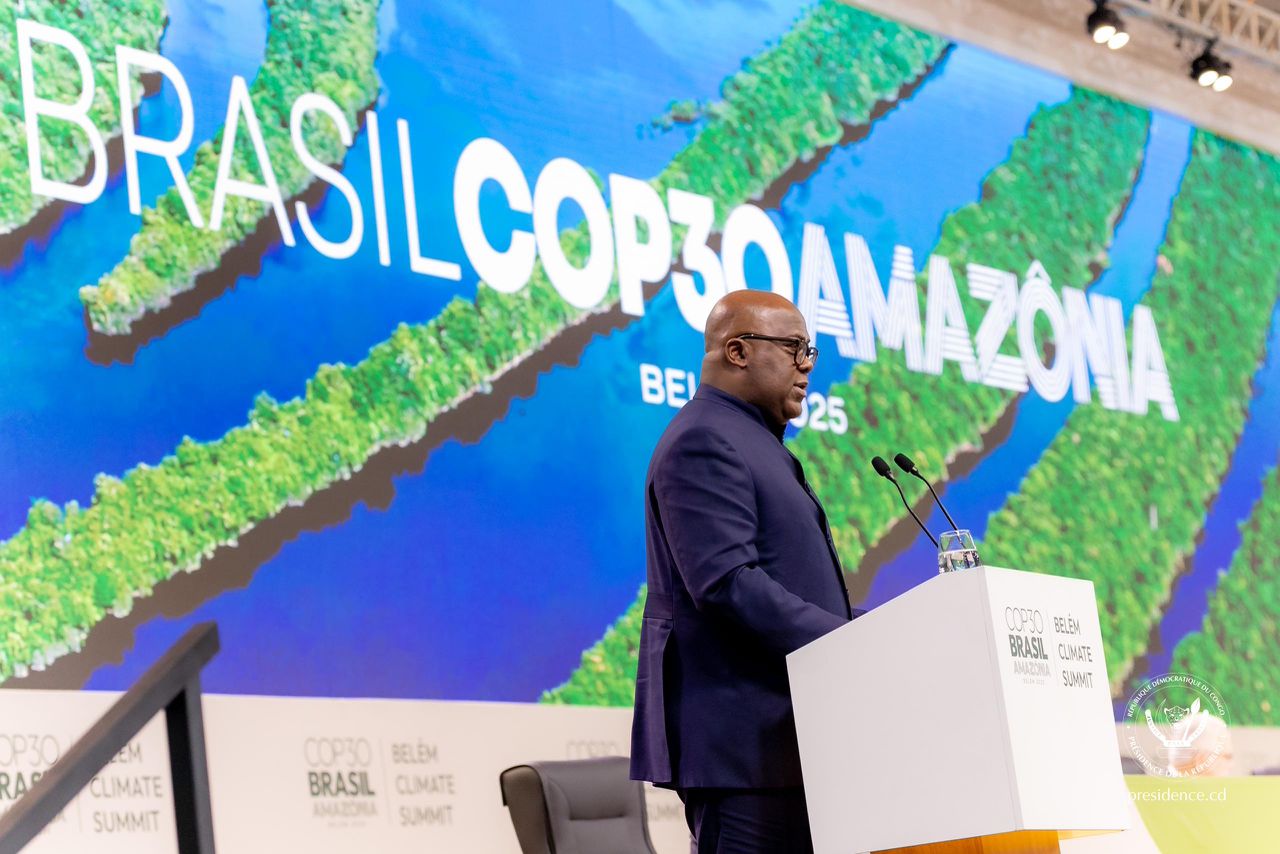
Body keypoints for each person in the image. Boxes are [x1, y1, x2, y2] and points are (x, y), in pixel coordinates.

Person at [630, 289, 861, 853]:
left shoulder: (753, 440)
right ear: (737, 351)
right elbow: (728, 584)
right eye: (794, 348)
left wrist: (870, 633)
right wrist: (853, 642)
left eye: (809, 351)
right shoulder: (704, 438)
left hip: (788, 748)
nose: (807, 365)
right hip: (744, 755)